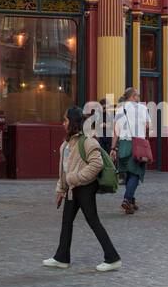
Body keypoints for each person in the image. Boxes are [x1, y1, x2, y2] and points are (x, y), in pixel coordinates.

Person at [43, 105, 122, 272]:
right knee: (66, 221)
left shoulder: (87, 140)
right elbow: (64, 169)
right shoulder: (67, 143)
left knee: (93, 221)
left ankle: (113, 258)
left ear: (72, 122)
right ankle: (62, 257)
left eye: (65, 120)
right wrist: (61, 189)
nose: (63, 123)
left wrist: (76, 178)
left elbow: (97, 164)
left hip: (85, 188)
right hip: (72, 188)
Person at [112, 85, 150, 214]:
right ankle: (127, 200)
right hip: (137, 144)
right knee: (135, 173)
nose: (139, 97)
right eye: (138, 95)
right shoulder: (143, 108)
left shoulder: (120, 109)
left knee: (128, 172)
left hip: (123, 144)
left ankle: (132, 201)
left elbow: (116, 130)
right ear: (133, 96)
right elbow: (147, 126)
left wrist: (113, 147)